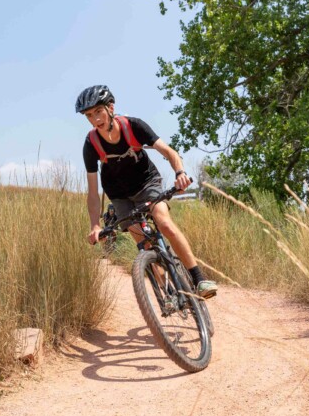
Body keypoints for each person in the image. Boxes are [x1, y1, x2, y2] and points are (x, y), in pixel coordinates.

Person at [77, 85, 218, 299]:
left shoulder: (134, 126)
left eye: (98, 111)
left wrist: (180, 172)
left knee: (164, 223)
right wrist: (95, 225)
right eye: (89, 115)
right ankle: (168, 294)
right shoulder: (91, 143)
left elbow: (168, 151)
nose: (95, 119)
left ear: (110, 108)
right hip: (118, 194)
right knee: (143, 243)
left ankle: (199, 279)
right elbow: (93, 192)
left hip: (146, 183)